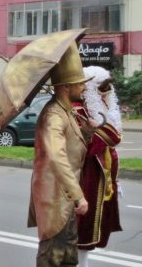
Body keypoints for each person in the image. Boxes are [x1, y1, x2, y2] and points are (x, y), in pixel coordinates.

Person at [28, 47, 93, 267]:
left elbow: (74, 145)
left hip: (65, 201)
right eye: (80, 83)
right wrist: (78, 195)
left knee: (68, 258)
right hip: (56, 201)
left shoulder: (66, 111)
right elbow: (57, 156)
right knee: (53, 257)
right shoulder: (54, 115)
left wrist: (87, 131)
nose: (84, 87)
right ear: (66, 87)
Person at [76, 66, 123, 267]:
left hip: (101, 176)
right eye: (102, 90)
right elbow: (111, 137)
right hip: (84, 176)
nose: (107, 95)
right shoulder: (79, 110)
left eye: (108, 90)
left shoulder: (94, 112)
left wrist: (115, 180)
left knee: (94, 229)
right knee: (82, 229)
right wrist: (100, 128)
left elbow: (111, 144)